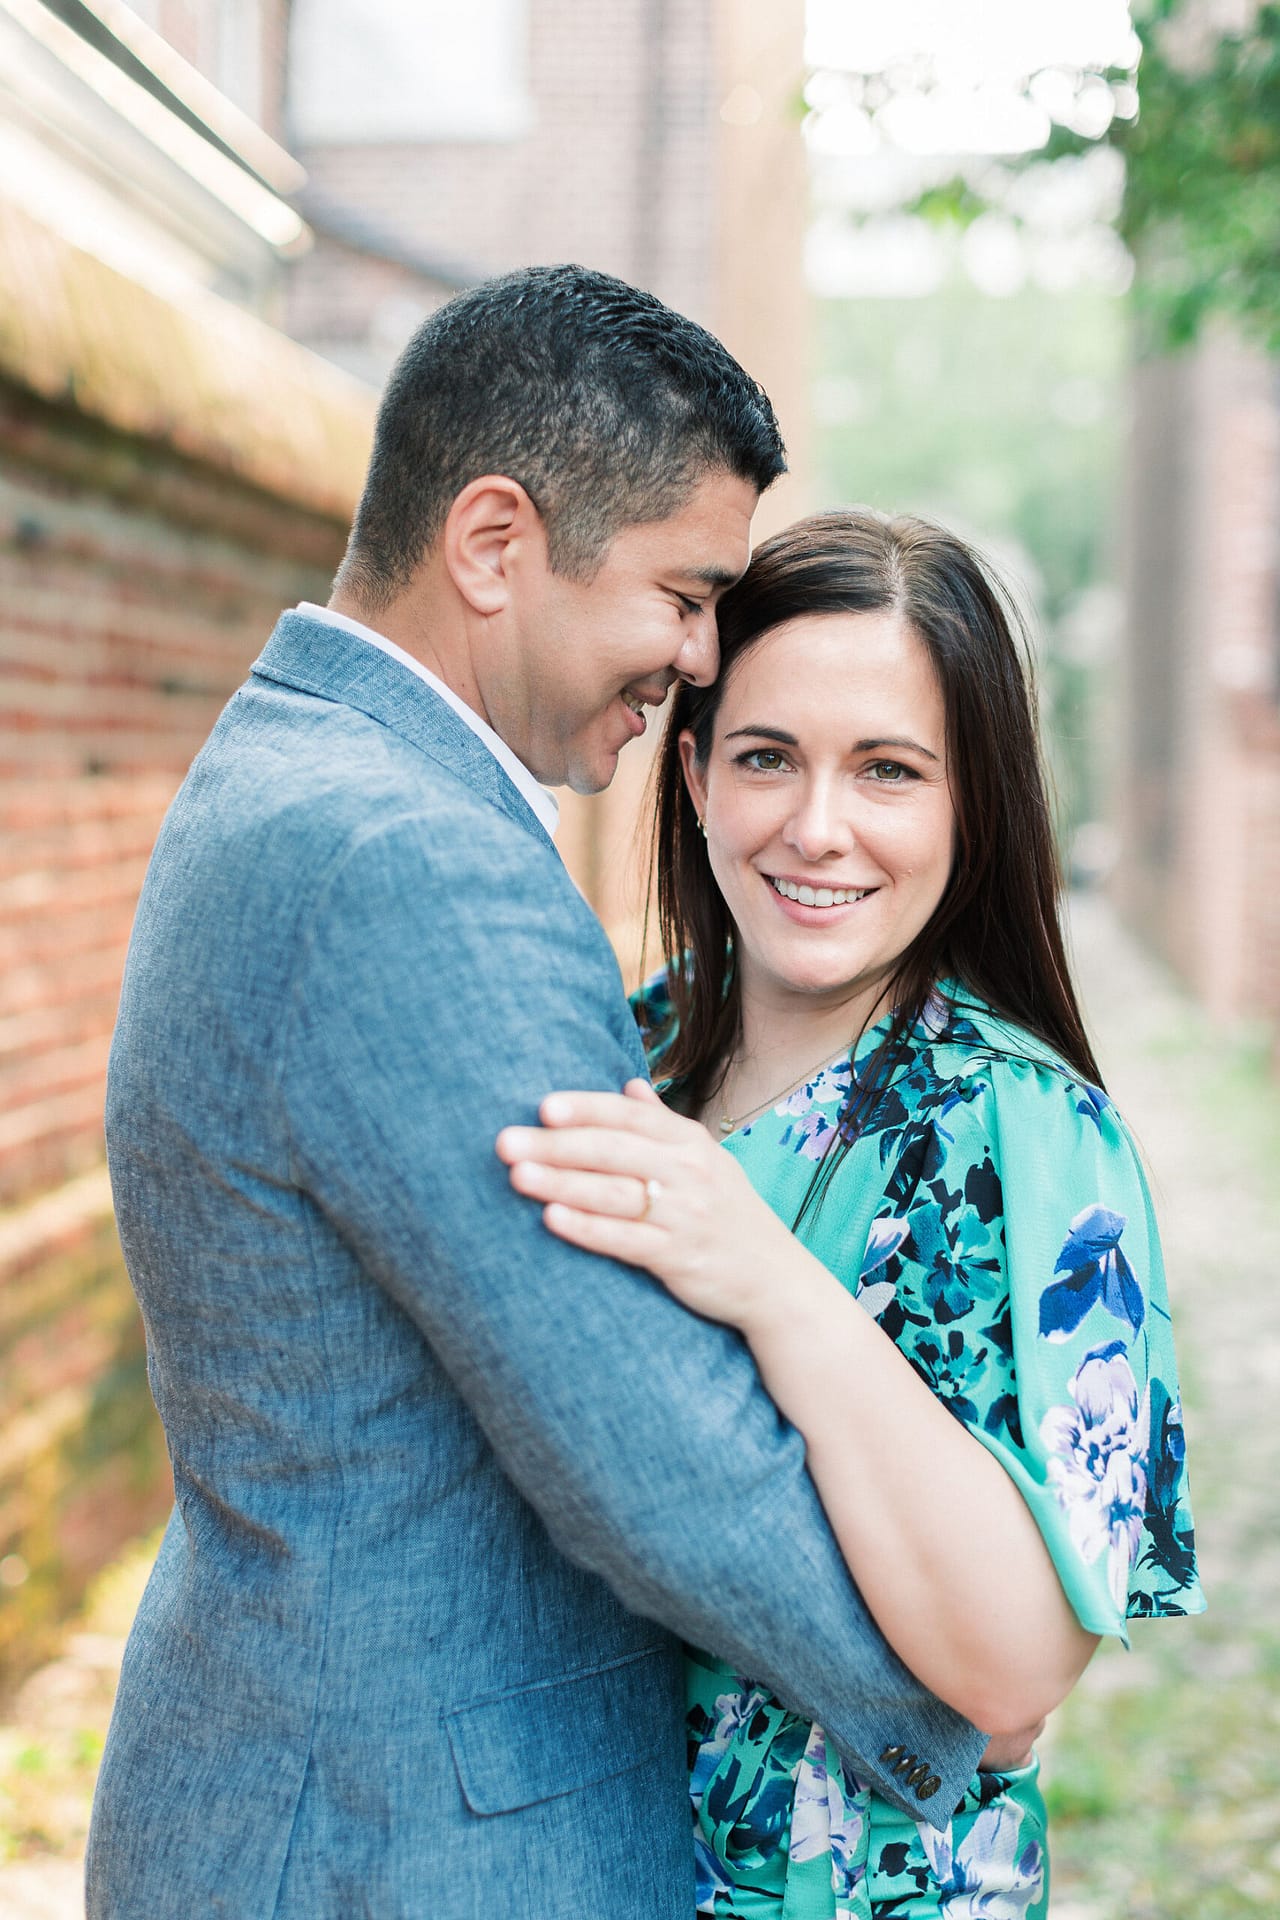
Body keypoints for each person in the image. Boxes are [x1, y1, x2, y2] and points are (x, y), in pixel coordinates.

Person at [86, 278, 1007, 1920]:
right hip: (408, 1844)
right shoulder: (411, 863)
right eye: (682, 593)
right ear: (496, 543)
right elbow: (643, 1441)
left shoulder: (288, 763)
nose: (702, 657)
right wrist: (948, 1701)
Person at [498, 509, 1204, 1918]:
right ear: (694, 775)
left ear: (970, 805)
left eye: (889, 770)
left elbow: (1011, 1677)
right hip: (565, 1857)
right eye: (767, 757)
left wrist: (767, 1279)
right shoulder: (616, 1050)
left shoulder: (1026, 1133)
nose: (817, 829)